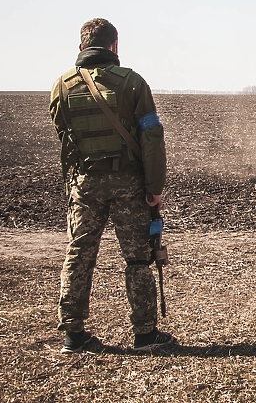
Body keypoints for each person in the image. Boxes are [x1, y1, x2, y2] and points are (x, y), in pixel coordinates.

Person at [49, 18, 175, 353]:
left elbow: (65, 139)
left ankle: (73, 335)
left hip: (84, 184)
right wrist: (155, 186)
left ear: (81, 47)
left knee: (79, 253)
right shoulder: (132, 83)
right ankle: (145, 334)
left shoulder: (61, 86)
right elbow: (152, 138)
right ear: (115, 46)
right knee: (137, 260)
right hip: (127, 185)